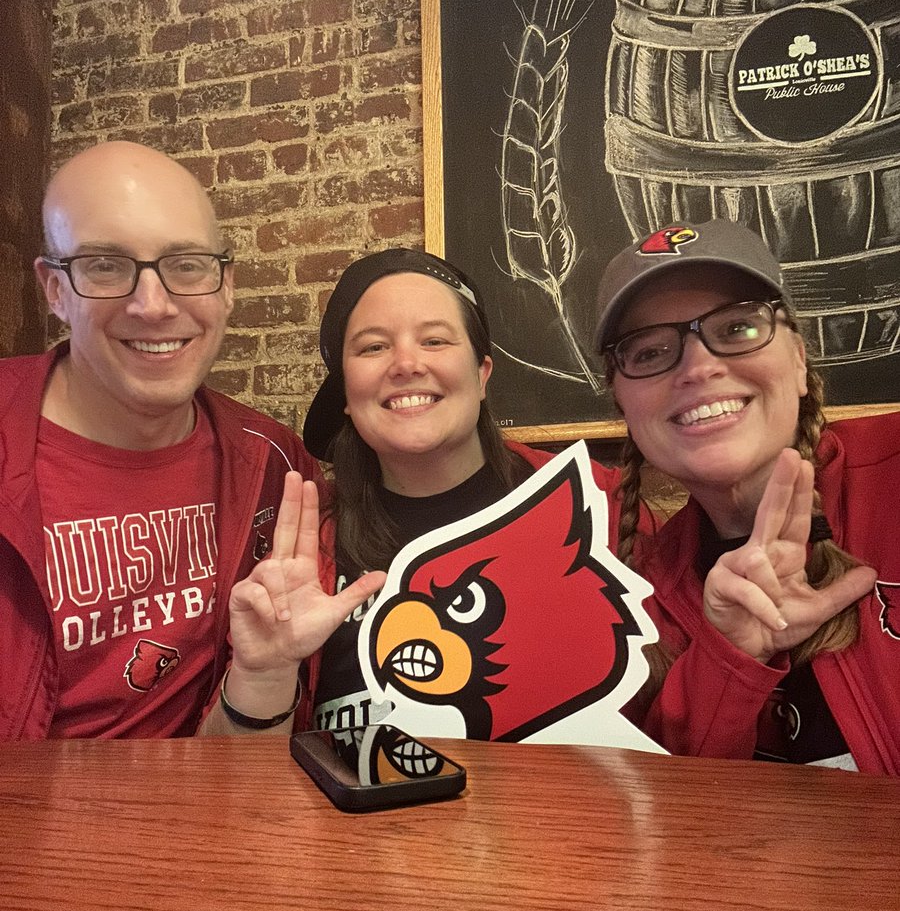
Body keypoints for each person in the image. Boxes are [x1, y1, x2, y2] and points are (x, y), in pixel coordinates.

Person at [204, 247, 631, 736]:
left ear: (482, 373)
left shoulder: (593, 505)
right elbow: (235, 780)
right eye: (372, 347)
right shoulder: (304, 546)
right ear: (345, 392)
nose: (405, 363)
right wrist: (265, 675)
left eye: (434, 340)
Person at [0, 139, 328, 739]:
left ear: (225, 285)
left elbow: (237, 771)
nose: (152, 305)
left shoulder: (274, 469)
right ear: (54, 291)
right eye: (105, 265)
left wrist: (265, 676)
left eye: (186, 265)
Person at [594, 217, 899, 773]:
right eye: (648, 351)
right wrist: (730, 654)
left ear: (800, 362)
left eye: (736, 329)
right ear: (623, 407)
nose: (700, 367)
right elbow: (671, 810)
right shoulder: (640, 601)